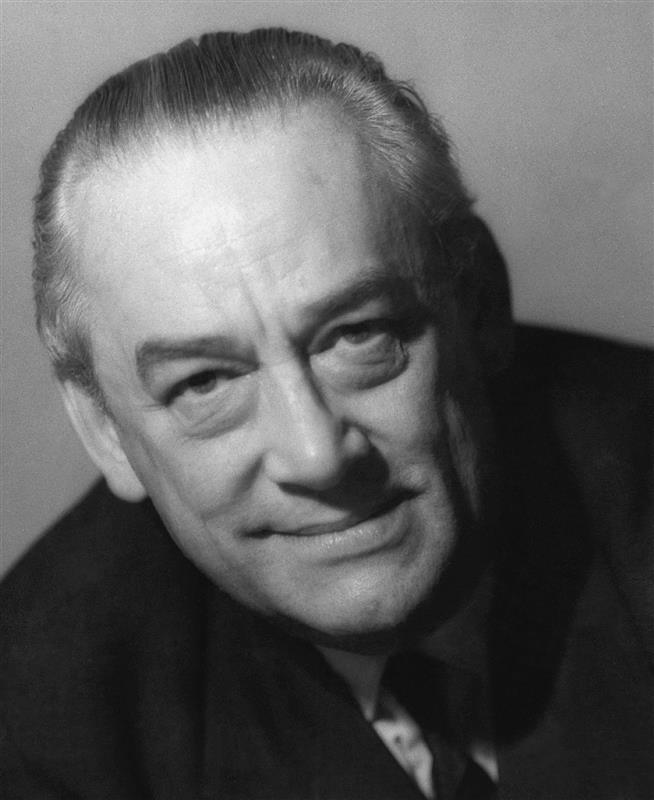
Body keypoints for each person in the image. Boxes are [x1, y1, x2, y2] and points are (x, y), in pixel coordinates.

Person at [1, 28, 652, 799]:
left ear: (478, 304)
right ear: (105, 430)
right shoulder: (46, 717)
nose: (317, 455)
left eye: (357, 336)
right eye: (205, 383)